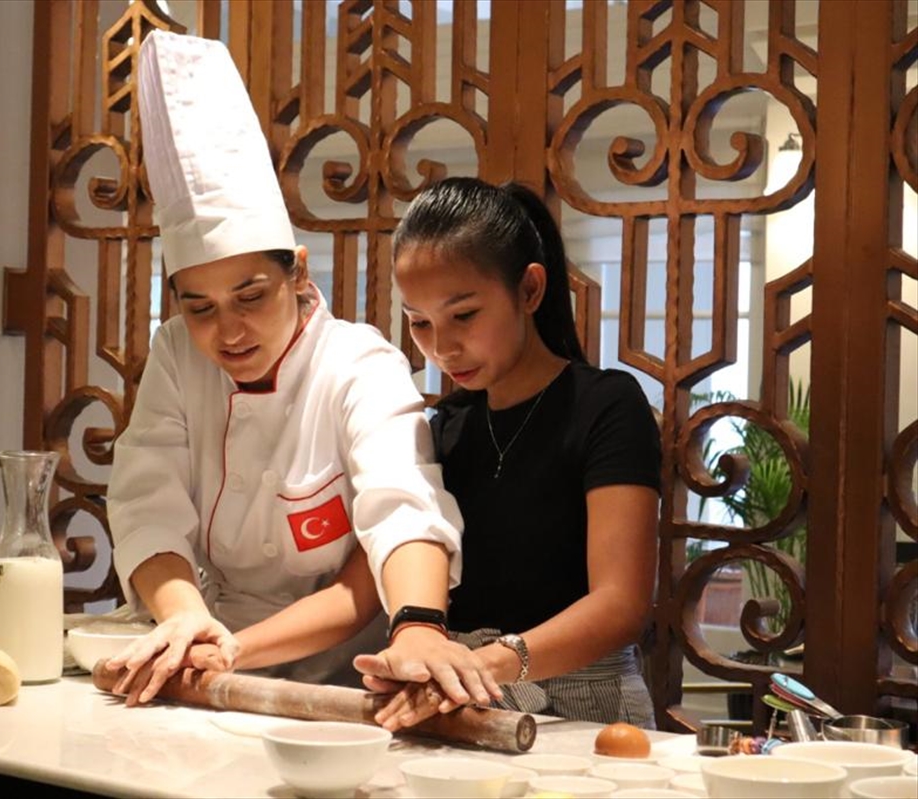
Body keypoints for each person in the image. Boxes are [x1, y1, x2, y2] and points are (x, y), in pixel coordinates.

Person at [103, 31, 500, 710]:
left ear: (297, 273)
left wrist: (419, 626)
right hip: (198, 671)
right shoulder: (176, 354)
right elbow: (147, 506)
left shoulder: (358, 364)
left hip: (336, 689)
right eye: (200, 308)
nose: (228, 330)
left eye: (251, 296)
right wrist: (185, 617)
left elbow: (401, 505)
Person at [355, 177, 661, 729]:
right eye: (420, 323)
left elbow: (621, 605)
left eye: (464, 315)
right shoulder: (443, 426)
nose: (442, 347)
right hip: (466, 701)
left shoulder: (606, 405)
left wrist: (485, 665)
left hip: (584, 704)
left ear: (530, 290)